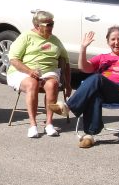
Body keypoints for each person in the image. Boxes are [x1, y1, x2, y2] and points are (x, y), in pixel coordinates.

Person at [50, 26, 119, 148]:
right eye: (113, 39)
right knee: (94, 93)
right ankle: (90, 135)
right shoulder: (103, 57)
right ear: (108, 42)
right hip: (104, 91)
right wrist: (83, 48)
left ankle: (68, 106)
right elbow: (83, 68)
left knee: (96, 78)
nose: (116, 42)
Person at [7, 10, 71, 138]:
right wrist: (29, 71)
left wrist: (68, 84)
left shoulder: (55, 40)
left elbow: (66, 61)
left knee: (52, 84)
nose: (51, 27)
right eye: (48, 25)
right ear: (37, 26)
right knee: (32, 83)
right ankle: (33, 125)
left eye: (52, 24)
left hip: (48, 72)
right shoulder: (26, 36)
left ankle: (49, 123)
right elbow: (13, 59)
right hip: (23, 72)